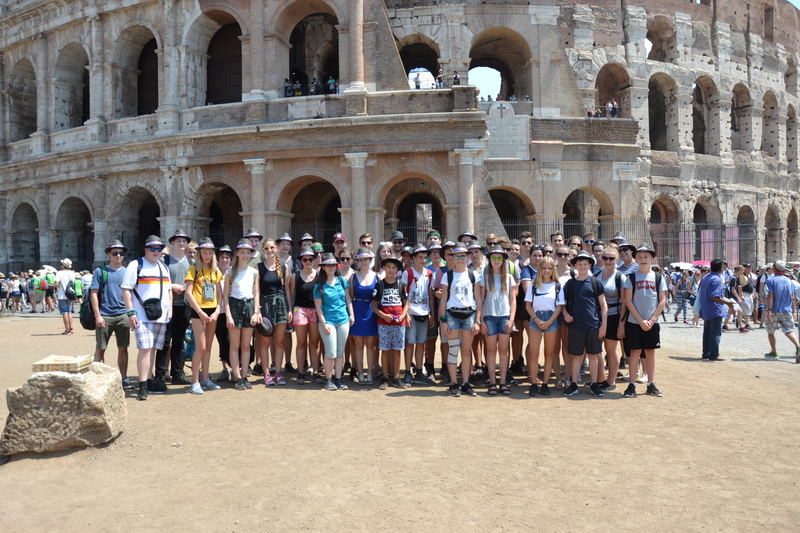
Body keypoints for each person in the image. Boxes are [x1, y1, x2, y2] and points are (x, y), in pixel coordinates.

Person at [121, 236, 173, 401]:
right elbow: (126, 289)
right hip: (141, 314)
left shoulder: (163, 267)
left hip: (161, 314)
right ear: (145, 249)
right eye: (152, 248)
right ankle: (142, 386)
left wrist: (170, 308)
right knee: (145, 348)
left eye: (159, 248)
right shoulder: (136, 265)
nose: (156, 251)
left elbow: (168, 290)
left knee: (152, 348)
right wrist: (130, 312)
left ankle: (149, 380)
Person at [621, 244, 667, 397]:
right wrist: (640, 320)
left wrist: (652, 320)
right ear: (635, 259)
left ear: (652, 258)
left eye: (646, 256)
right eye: (639, 257)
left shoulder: (658, 277)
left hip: (652, 322)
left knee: (650, 352)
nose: (642, 259)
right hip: (635, 322)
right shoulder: (631, 277)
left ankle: (651, 383)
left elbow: (662, 300)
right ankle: (632, 384)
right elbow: (628, 301)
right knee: (634, 352)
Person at [562, 251, 607, 397]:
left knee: (593, 355)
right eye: (579, 264)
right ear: (575, 265)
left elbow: (603, 304)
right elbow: (562, 303)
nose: (582, 266)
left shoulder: (595, 282)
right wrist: (565, 314)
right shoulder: (570, 284)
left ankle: (594, 383)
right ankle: (574, 383)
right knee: (576, 356)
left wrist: (604, 325)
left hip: (593, 324)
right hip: (576, 325)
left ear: (590, 265)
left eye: (585, 264)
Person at [439, 245, 483, 397]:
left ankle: (465, 383)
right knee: (453, 350)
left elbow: (478, 299)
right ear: (452, 258)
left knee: (466, 350)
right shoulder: (447, 275)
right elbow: (443, 299)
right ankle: (453, 383)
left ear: (467, 257)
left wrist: (478, 321)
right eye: (456, 256)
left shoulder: (473, 275)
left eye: (462, 256)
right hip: (452, 314)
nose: (459, 259)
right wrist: (443, 321)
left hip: (469, 314)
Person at [91, 240, 133, 390]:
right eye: (115, 253)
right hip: (105, 314)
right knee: (100, 348)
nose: (118, 256)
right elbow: (94, 294)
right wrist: (97, 315)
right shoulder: (100, 271)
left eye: (121, 253)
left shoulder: (128, 272)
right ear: (109, 254)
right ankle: (97, 378)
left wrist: (131, 313)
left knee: (123, 348)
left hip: (123, 314)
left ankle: (124, 378)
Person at [184, 237, 224, 395]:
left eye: (210, 253)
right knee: (200, 347)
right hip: (198, 311)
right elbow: (188, 292)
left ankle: (205, 378)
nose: (207, 256)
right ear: (199, 253)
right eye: (204, 253)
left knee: (208, 347)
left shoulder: (216, 270)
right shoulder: (193, 269)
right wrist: (200, 312)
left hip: (212, 311)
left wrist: (217, 311)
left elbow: (220, 294)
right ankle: (194, 381)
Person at [155, 230, 194, 387]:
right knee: (164, 342)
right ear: (172, 243)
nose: (181, 243)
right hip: (167, 305)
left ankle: (177, 373)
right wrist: (173, 286)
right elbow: (157, 281)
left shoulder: (191, 262)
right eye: (178, 240)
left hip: (184, 305)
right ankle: (160, 375)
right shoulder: (164, 260)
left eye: (184, 241)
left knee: (179, 341)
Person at [478, 246, 517, 396]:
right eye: (493, 258)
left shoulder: (509, 278)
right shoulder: (485, 278)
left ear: (503, 260)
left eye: (499, 258)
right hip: (489, 317)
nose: (496, 260)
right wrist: (481, 320)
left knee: (504, 351)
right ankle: (492, 382)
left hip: (505, 317)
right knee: (491, 351)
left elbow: (513, 300)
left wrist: (512, 319)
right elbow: (481, 300)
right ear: (489, 260)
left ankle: (503, 383)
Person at [224, 239, 262, 391]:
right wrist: (228, 314)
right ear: (237, 253)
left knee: (246, 345)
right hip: (234, 306)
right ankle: (237, 377)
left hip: (249, 306)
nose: (245, 255)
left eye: (248, 252)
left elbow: (256, 293)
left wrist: (256, 312)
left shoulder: (254, 272)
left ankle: (245, 376)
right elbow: (225, 295)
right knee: (235, 345)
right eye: (243, 252)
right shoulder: (229, 272)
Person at [314, 253, 355, 390]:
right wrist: (324, 323)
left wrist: (351, 314)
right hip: (328, 321)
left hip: (343, 319)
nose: (331, 267)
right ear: (323, 267)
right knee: (331, 352)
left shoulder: (341, 280)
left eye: (333, 265)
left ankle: (339, 379)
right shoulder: (319, 285)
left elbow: (348, 299)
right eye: (328, 265)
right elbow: (318, 307)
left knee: (340, 352)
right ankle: (328, 379)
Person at [525, 256, 564, 396]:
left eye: (549, 268)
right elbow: (528, 305)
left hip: (551, 320)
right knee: (534, 354)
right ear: (540, 269)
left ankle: (545, 384)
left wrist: (549, 322)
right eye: (544, 268)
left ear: (553, 270)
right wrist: (536, 320)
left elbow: (559, 307)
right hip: (535, 319)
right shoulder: (533, 285)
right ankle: (534, 384)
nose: (547, 271)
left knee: (549, 354)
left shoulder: (557, 286)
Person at [372, 256, 409, 389]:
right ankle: (385, 377)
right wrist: (383, 315)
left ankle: (396, 377)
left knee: (397, 350)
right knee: (385, 350)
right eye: (388, 267)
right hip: (384, 323)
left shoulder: (401, 285)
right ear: (384, 268)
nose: (391, 270)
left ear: (397, 270)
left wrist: (403, 316)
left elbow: (406, 303)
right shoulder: (379, 285)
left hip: (399, 324)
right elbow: (374, 306)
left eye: (394, 267)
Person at [595, 245, 626, 390]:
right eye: (605, 258)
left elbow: (625, 303)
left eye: (611, 258)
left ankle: (611, 380)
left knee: (611, 349)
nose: (608, 261)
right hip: (597, 316)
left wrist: (621, 324)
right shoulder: (596, 275)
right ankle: (599, 379)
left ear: (617, 260)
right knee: (595, 349)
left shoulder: (620, 277)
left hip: (614, 316)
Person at [289, 248, 321, 384]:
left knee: (314, 343)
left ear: (314, 260)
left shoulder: (319, 275)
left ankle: (315, 372)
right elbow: (291, 295)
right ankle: (301, 372)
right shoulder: (295, 276)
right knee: (301, 342)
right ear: (301, 261)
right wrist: (290, 310)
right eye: (305, 259)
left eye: (310, 259)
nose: (308, 262)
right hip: (300, 310)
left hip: (315, 310)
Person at [402, 245, 433, 386]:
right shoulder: (408, 273)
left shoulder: (429, 274)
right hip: (411, 312)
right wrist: (406, 314)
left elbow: (430, 294)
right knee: (410, 343)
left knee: (421, 344)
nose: (423, 260)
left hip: (424, 312)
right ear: (413, 258)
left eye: (425, 257)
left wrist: (431, 313)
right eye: (420, 257)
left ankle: (419, 372)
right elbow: (404, 294)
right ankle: (408, 371)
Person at [349, 248, 378, 384]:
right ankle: (360, 373)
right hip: (358, 310)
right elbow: (350, 297)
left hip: (372, 311)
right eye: (361, 260)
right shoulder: (353, 277)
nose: (363, 262)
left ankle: (370, 373)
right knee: (358, 345)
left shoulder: (377, 276)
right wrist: (352, 314)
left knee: (371, 344)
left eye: (366, 259)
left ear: (370, 260)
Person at [763, 260, 800, 362]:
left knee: (771, 332)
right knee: (789, 331)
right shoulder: (789, 281)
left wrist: (769, 310)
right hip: (786, 310)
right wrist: (793, 311)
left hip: (774, 310)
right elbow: (793, 297)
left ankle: (774, 352)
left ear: (774, 268)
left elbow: (770, 296)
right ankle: (798, 346)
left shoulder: (770, 280)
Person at [699, 259, 735, 362]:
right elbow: (714, 296)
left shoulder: (705, 277)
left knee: (707, 333)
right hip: (715, 308)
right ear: (721, 268)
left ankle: (706, 353)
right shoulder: (717, 279)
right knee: (715, 333)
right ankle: (713, 354)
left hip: (706, 308)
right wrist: (727, 303)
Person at [215, 245, 233, 382]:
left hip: (233, 311)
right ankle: (225, 367)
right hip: (218, 311)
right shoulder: (214, 273)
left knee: (233, 341)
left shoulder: (234, 273)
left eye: (227, 257)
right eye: (222, 257)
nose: (224, 260)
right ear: (218, 259)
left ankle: (236, 367)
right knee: (222, 340)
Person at [55, 258, 76, 335]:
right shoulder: (72, 273)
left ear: (64, 265)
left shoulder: (59, 273)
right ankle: (71, 327)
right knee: (69, 311)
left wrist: (58, 287)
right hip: (70, 294)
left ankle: (67, 329)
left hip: (62, 295)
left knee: (64, 312)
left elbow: (56, 283)